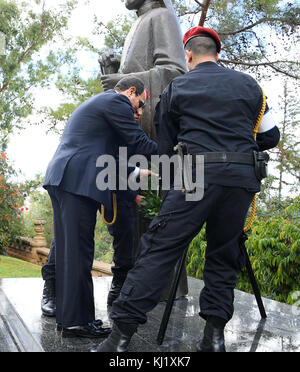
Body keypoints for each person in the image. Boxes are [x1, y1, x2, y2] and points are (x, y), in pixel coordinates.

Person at [95, 26, 280, 352]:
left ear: (189, 55)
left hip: (194, 178)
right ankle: (214, 338)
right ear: (217, 54)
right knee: (224, 257)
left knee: (159, 251)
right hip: (240, 180)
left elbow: (166, 149)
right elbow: (271, 136)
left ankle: (118, 339)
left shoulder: (177, 87)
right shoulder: (252, 87)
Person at [43, 76, 158, 338]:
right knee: (79, 253)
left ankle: (70, 320)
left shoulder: (100, 104)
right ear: (131, 91)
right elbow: (138, 142)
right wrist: (175, 153)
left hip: (65, 177)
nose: (139, 113)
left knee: (73, 253)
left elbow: (100, 154)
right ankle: (76, 323)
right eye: (139, 105)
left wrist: (137, 172)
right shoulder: (117, 101)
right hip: (76, 180)